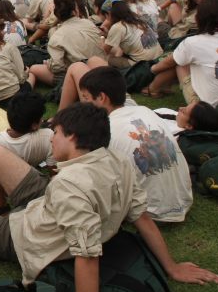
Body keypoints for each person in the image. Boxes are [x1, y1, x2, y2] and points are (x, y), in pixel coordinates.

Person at [0, 103, 218, 292]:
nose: (51, 138)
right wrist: (171, 266)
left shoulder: (70, 187)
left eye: (57, 132)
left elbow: (87, 257)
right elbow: (141, 217)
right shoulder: (117, 159)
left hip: (26, 235)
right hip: (45, 203)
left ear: (72, 137)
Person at [78, 67, 193, 223]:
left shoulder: (106, 129)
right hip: (183, 200)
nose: (82, 103)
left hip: (150, 211)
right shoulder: (145, 111)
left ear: (102, 98)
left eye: (85, 98)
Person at [148, 0, 218, 105]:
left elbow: (170, 61)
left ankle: (153, 88)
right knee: (186, 58)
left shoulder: (194, 42)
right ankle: (159, 87)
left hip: (209, 110)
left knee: (180, 63)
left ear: (201, 17)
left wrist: (152, 70)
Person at [0, 91, 52, 168]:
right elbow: (52, 166)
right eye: (41, 117)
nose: (42, 120)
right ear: (34, 125)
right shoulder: (48, 137)